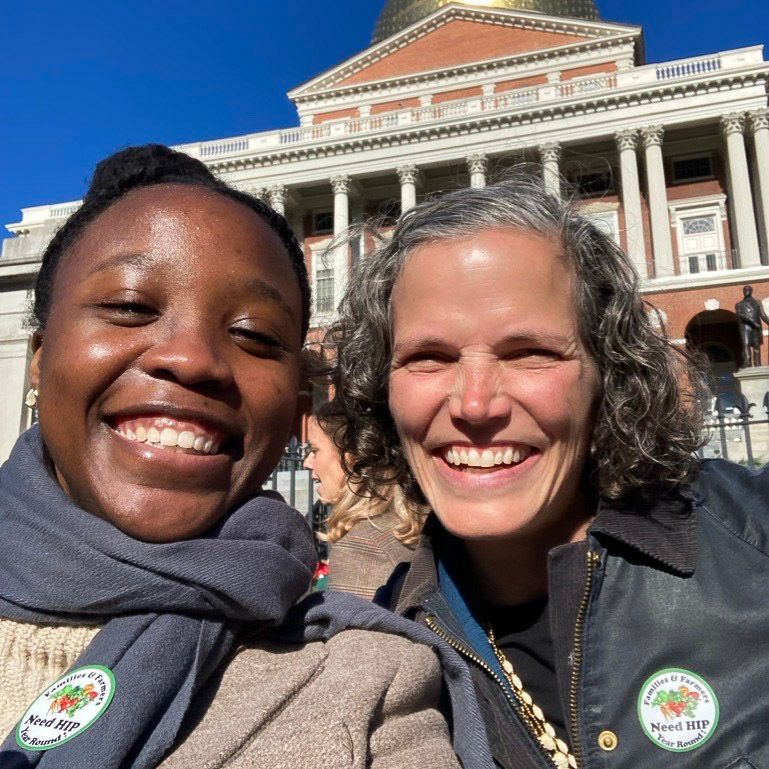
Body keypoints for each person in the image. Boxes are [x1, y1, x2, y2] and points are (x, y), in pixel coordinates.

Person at [0, 145, 489, 769]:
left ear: (296, 405)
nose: (192, 359)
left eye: (255, 335)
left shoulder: (368, 680)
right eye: (128, 307)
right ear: (39, 356)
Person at [327, 175, 769, 769]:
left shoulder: (752, 540)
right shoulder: (379, 649)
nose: (474, 405)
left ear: (608, 373)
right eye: (428, 357)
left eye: (530, 352)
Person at [303, 413, 421, 599]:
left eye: (315, 451)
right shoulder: (400, 526)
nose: (307, 463)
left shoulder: (362, 548)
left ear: (350, 461)